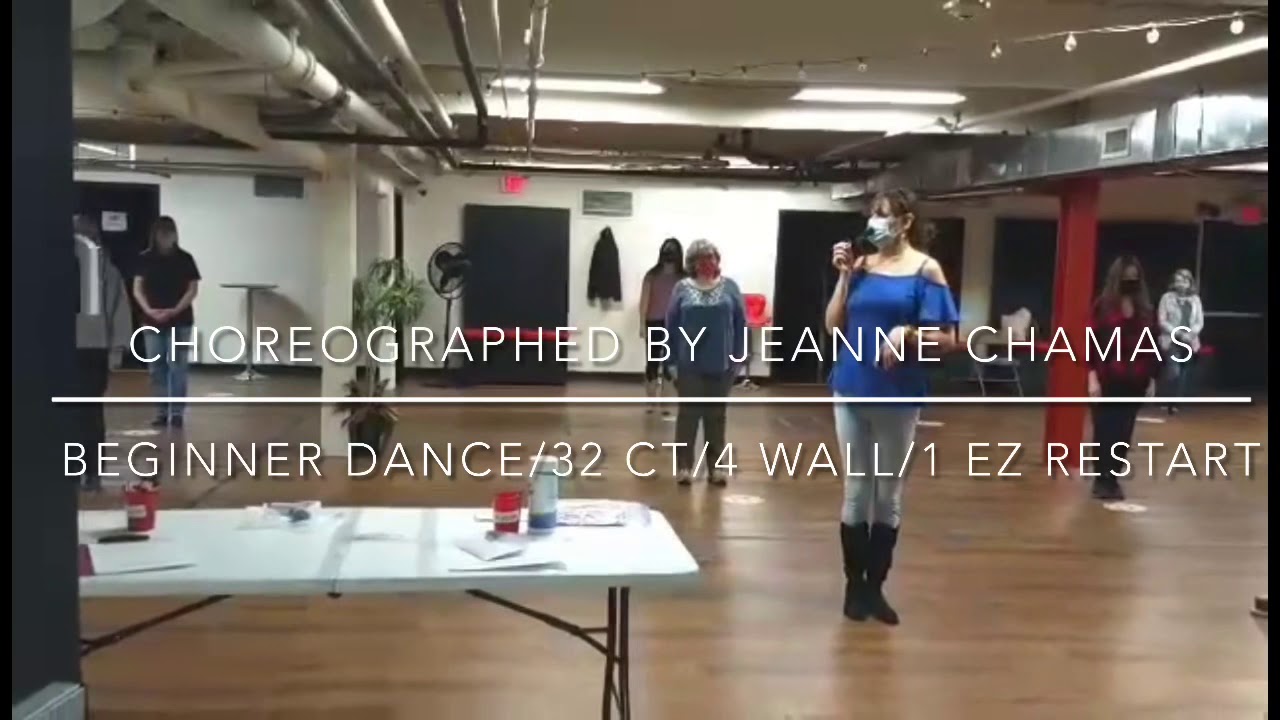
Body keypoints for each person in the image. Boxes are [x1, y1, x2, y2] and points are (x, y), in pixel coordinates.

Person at [823, 189, 959, 626]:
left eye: (883, 215)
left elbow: (949, 339)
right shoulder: (862, 266)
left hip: (898, 393)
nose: (875, 223)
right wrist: (844, 277)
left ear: (905, 222)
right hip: (851, 386)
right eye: (872, 215)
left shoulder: (925, 269)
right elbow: (833, 324)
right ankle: (853, 587)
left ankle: (875, 588)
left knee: (887, 494)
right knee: (856, 491)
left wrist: (908, 334)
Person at [665, 239, 747, 487]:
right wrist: (670, 362)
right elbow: (671, 327)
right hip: (688, 364)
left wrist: (738, 358)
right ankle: (684, 467)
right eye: (701, 258)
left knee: (716, 416)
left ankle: (716, 468)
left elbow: (740, 325)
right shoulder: (681, 288)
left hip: (721, 364)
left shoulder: (730, 287)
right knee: (688, 417)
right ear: (693, 263)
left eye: (711, 257)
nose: (707, 262)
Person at [1087, 256, 1158, 501]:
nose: (1131, 281)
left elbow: (1152, 345)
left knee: (1123, 434)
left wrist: (1152, 377)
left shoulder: (1145, 309)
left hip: (1135, 380)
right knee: (1105, 431)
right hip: (1107, 379)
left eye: (1134, 277)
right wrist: (1092, 377)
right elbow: (1092, 343)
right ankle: (1101, 480)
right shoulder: (1103, 306)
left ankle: (1114, 479)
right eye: (1127, 276)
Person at [73, 215, 132, 490]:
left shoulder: (106, 271)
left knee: (88, 413)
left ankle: (91, 471)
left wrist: (116, 351)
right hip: (75, 351)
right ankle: (77, 470)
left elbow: (118, 311)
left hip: (92, 350)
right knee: (77, 413)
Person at [133, 216, 201, 429]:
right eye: (162, 234)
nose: (166, 238)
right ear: (155, 236)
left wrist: (175, 310)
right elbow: (137, 289)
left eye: (170, 233)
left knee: (177, 366)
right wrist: (148, 310)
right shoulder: (144, 258)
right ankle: (161, 412)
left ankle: (177, 412)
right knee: (156, 367)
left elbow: (192, 290)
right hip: (152, 320)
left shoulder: (185, 259)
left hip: (180, 320)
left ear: (175, 235)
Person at [638, 238, 684, 416]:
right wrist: (642, 324)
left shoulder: (683, 278)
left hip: (674, 324)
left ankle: (665, 403)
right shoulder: (651, 275)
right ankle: (650, 401)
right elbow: (644, 301)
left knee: (669, 365)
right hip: (654, 322)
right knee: (652, 363)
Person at [1157, 268, 1204, 415]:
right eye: (1178, 281)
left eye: (1184, 281)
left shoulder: (1195, 300)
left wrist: (1190, 334)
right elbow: (1162, 320)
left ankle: (1175, 402)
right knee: (1174, 370)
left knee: (1183, 372)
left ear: (1190, 283)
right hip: (1172, 339)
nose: (1181, 284)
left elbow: (1199, 321)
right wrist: (1177, 333)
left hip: (1189, 341)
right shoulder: (1166, 298)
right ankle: (1168, 401)